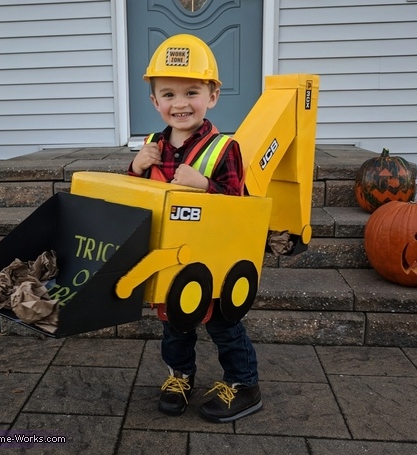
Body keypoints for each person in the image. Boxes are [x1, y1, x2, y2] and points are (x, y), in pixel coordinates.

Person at [128, 34, 261, 423]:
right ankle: (180, 376)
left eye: (192, 91)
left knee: (223, 324)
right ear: (154, 102)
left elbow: (238, 204)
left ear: (212, 95)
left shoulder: (224, 148)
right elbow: (135, 197)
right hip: (172, 259)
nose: (180, 103)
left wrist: (204, 185)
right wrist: (135, 169)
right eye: (168, 94)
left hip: (214, 260)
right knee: (175, 326)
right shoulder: (151, 145)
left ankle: (244, 383)